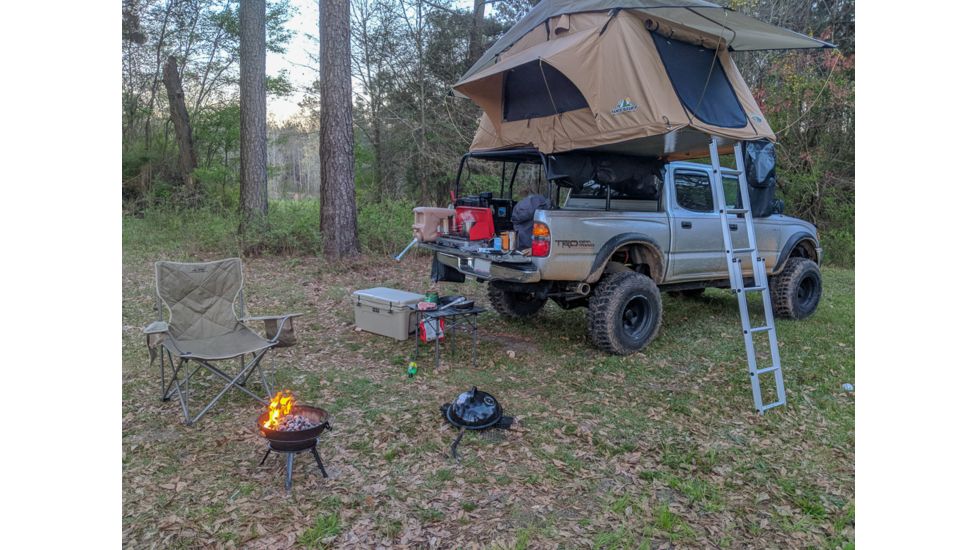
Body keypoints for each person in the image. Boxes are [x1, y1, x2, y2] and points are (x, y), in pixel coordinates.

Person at [511, 185, 551, 250]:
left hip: (523, 244)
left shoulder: (519, 206)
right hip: (541, 244)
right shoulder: (543, 201)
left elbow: (515, 219)